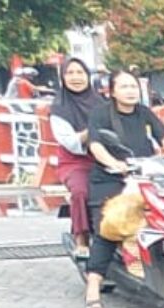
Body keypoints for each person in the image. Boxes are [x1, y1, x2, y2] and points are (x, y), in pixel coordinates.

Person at [81, 69, 164, 308]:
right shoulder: (101, 114)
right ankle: (93, 292)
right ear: (111, 91)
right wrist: (114, 163)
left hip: (143, 175)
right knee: (110, 229)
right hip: (109, 179)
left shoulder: (144, 112)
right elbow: (96, 145)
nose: (130, 91)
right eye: (124, 87)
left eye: (133, 86)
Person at [48, 57, 102, 260]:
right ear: (62, 78)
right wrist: (92, 130)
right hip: (75, 162)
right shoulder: (59, 109)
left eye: (80, 72)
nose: (76, 77)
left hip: (104, 159)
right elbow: (70, 142)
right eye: (70, 73)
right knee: (81, 190)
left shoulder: (101, 103)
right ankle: (82, 238)